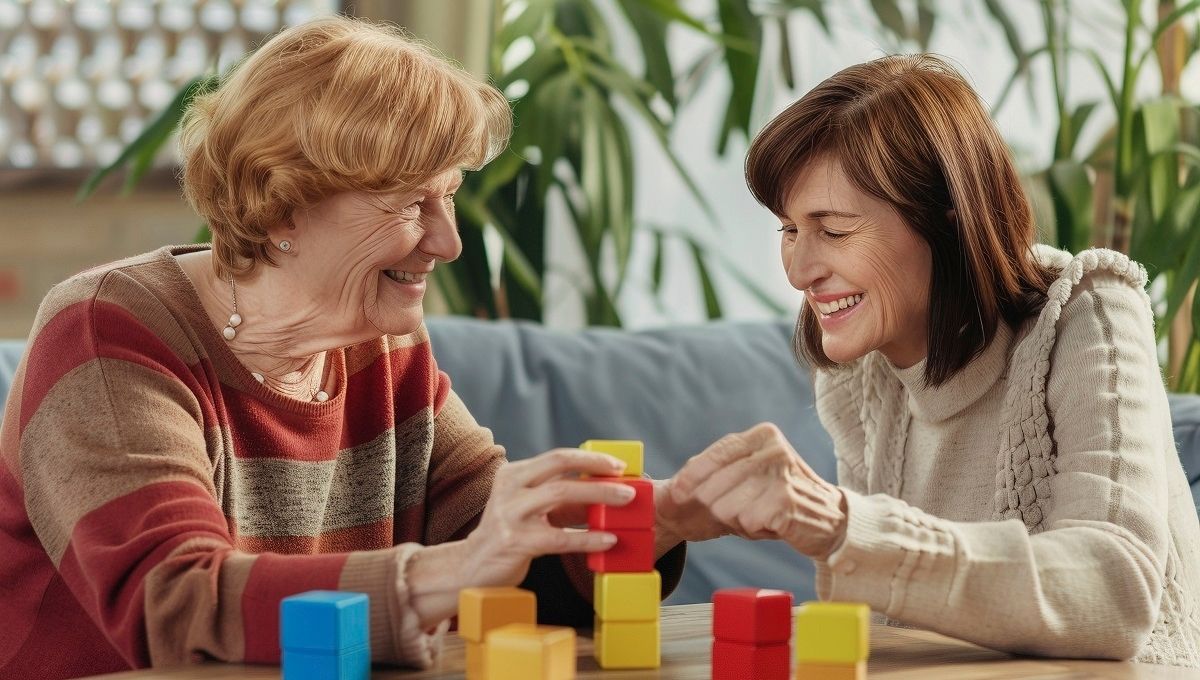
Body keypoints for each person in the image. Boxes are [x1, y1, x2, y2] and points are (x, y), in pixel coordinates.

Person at [0, 17, 693, 679]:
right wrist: (458, 570)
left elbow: (505, 556)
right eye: (410, 203)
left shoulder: (381, 342)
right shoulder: (109, 331)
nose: (448, 242)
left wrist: (663, 515)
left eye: (450, 196)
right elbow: (176, 608)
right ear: (281, 207)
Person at [667, 54, 1200, 667]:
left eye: (834, 231)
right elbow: (886, 622)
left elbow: (1115, 589)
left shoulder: (1087, 314)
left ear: (948, 221)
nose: (798, 270)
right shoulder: (857, 376)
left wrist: (845, 526)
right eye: (788, 230)